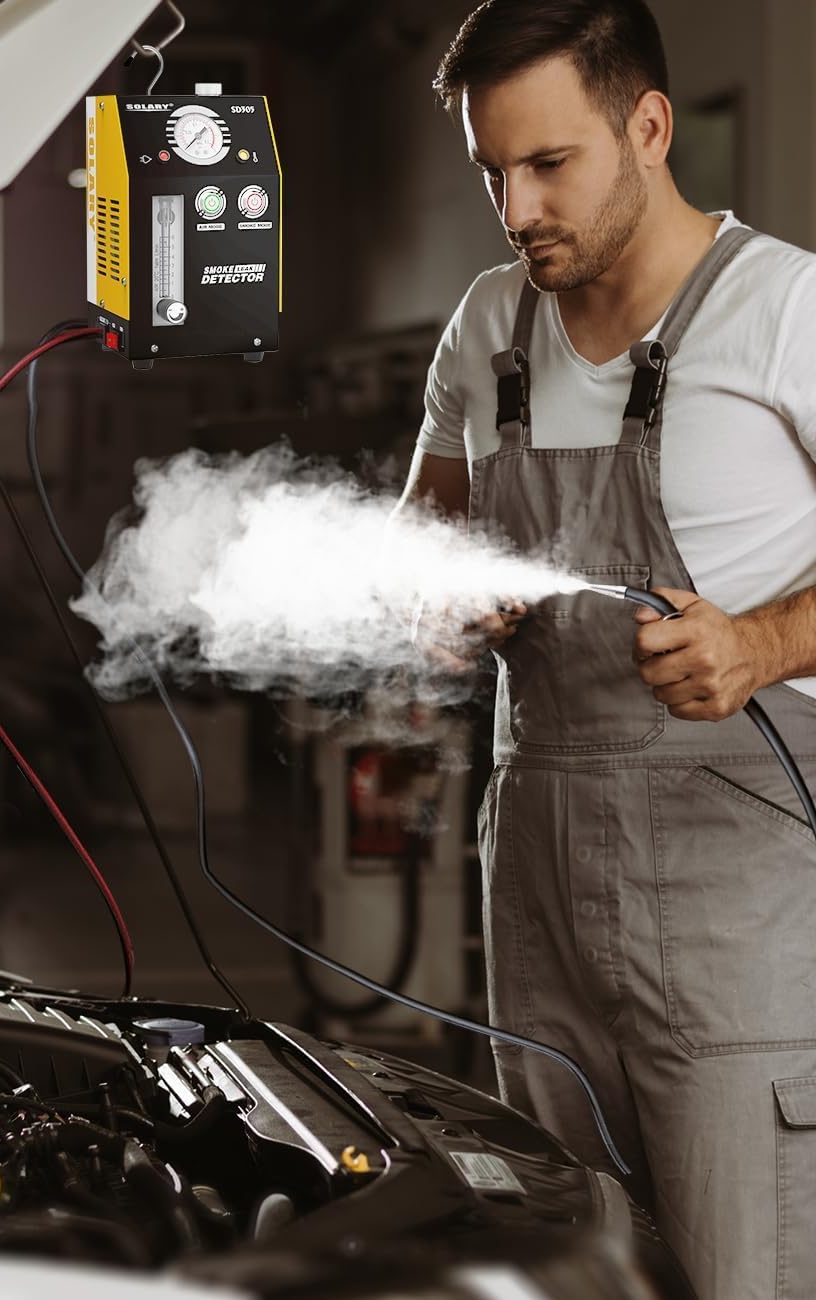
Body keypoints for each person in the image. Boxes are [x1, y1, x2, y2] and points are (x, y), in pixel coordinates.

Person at [396, 3, 816, 1297]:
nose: (516, 210)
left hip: (736, 907)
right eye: (492, 172)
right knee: (573, 1267)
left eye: (548, 163)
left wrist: (764, 641)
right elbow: (425, 535)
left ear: (648, 127)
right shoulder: (487, 325)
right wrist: (439, 598)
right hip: (537, 904)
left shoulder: (786, 309)